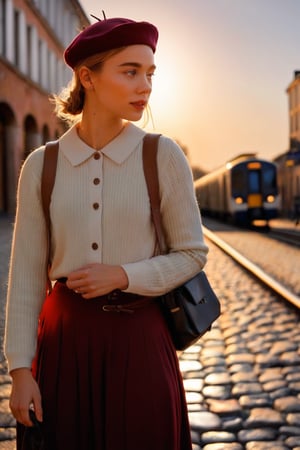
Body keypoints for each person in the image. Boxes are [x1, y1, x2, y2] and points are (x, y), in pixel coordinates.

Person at [4, 15, 208, 450]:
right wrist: (20, 371)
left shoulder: (162, 155)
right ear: (87, 78)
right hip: (64, 347)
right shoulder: (42, 165)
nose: (145, 86)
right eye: (130, 71)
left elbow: (192, 253)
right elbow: (24, 277)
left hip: (141, 344)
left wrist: (123, 275)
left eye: (150, 74)